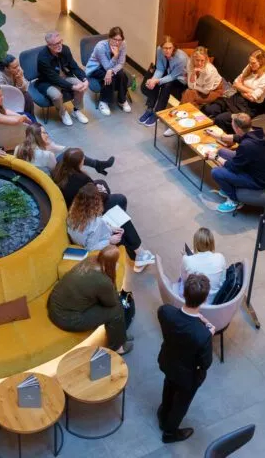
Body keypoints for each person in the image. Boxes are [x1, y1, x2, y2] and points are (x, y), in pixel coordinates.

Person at [157, 273, 214, 444]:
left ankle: (163, 414)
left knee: (168, 386)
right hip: (187, 375)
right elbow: (206, 363)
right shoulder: (203, 334)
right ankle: (169, 433)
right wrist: (208, 332)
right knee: (181, 403)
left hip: (167, 361)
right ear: (204, 300)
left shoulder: (165, 312)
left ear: (183, 293)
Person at [47, 245, 134, 355]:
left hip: (55, 305)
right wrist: (112, 277)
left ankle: (120, 335)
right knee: (116, 309)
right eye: (116, 262)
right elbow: (111, 303)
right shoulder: (103, 281)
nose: (118, 264)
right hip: (67, 318)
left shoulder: (90, 260)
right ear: (111, 264)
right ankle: (118, 347)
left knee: (113, 301)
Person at [66, 183, 155, 273]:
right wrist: (110, 240)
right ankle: (140, 255)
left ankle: (139, 255)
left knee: (120, 221)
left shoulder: (73, 212)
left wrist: (110, 228)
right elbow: (91, 247)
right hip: (101, 242)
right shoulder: (95, 223)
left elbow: (91, 231)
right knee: (123, 222)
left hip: (92, 236)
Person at [208, 113, 265, 213]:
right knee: (222, 152)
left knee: (216, 172)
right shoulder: (259, 132)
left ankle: (234, 200)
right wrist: (219, 136)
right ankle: (229, 184)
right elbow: (238, 137)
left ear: (237, 128)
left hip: (258, 180)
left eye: (232, 125)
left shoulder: (247, 145)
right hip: (255, 167)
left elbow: (233, 167)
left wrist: (215, 157)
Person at [202, 50, 265, 135]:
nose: (250, 65)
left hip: (249, 107)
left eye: (253, 63)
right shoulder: (249, 67)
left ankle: (222, 138)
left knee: (221, 119)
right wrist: (249, 91)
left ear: (261, 62)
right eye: (249, 62)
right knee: (210, 109)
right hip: (236, 98)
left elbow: (252, 98)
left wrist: (241, 88)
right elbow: (235, 83)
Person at [34, 31, 89, 126]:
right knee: (56, 95)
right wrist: (72, 87)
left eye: (60, 42)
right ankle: (63, 113)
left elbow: (74, 66)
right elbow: (54, 78)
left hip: (65, 76)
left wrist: (84, 79)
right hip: (48, 82)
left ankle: (76, 110)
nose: (60, 45)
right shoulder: (43, 57)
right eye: (56, 44)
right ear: (49, 45)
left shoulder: (65, 49)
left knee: (80, 85)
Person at [14, 124, 114, 176]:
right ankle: (97, 165)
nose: (47, 135)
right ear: (37, 136)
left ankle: (97, 165)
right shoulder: (47, 154)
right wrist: (52, 148)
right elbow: (55, 172)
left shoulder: (18, 148)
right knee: (73, 155)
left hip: (31, 176)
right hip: (49, 179)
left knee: (70, 151)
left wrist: (52, 146)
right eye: (44, 133)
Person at [138, 36, 188, 128]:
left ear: (174, 47)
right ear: (161, 47)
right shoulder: (159, 50)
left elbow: (173, 76)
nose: (167, 51)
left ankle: (158, 112)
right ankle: (150, 108)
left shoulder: (181, 58)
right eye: (165, 48)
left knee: (166, 85)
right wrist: (153, 80)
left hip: (180, 79)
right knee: (155, 81)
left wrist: (158, 80)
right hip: (168, 72)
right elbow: (160, 69)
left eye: (170, 48)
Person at [85, 26, 131, 116]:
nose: (117, 43)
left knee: (122, 74)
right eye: (115, 39)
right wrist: (115, 56)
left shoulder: (123, 44)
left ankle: (122, 100)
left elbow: (121, 63)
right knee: (111, 78)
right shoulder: (100, 47)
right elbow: (106, 66)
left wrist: (111, 71)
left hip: (112, 67)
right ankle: (103, 101)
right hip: (96, 68)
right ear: (109, 38)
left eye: (120, 40)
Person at [176, 228, 226, 301]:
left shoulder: (187, 259)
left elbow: (184, 281)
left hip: (193, 300)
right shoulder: (220, 257)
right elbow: (223, 280)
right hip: (214, 300)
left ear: (195, 243)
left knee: (180, 280)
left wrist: (185, 258)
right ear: (212, 243)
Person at [0, 54, 36, 119]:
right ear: (6, 68)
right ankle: (21, 118)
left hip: (12, 93)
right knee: (22, 100)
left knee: (27, 96)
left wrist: (19, 79)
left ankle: (30, 118)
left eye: (18, 65)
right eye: (15, 67)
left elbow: (24, 89)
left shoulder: (17, 70)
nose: (18, 68)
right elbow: (3, 96)